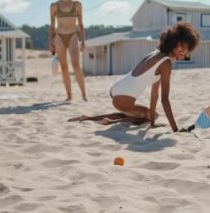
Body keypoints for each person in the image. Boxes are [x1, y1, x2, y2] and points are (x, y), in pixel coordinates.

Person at [69, 22, 200, 132]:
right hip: (124, 97)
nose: (183, 55)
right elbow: (164, 100)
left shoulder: (156, 54)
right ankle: (111, 121)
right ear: (173, 43)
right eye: (182, 50)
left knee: (144, 114)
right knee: (149, 115)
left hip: (116, 90)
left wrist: (153, 123)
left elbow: (155, 94)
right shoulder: (166, 63)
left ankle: (88, 118)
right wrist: (175, 130)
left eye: (186, 52)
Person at [50, 0, 87, 101]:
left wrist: (83, 41)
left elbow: (80, 24)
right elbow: (52, 26)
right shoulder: (54, 6)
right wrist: (51, 44)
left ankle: (84, 94)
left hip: (73, 36)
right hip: (59, 37)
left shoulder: (77, 5)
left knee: (76, 64)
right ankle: (69, 96)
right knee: (64, 67)